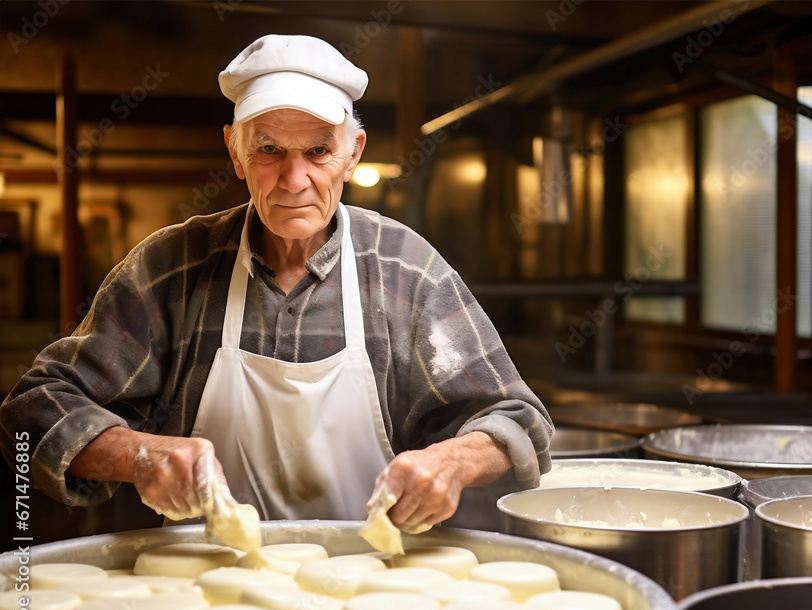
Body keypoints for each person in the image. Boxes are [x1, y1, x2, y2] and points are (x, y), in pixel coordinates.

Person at [0, 34, 552, 532]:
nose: (294, 180)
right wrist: (136, 455)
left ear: (353, 154)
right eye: (268, 150)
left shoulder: (406, 270)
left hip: (373, 591)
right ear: (235, 153)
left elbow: (519, 422)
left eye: (318, 150)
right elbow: (31, 411)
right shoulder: (171, 268)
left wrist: (451, 463)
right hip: (199, 594)